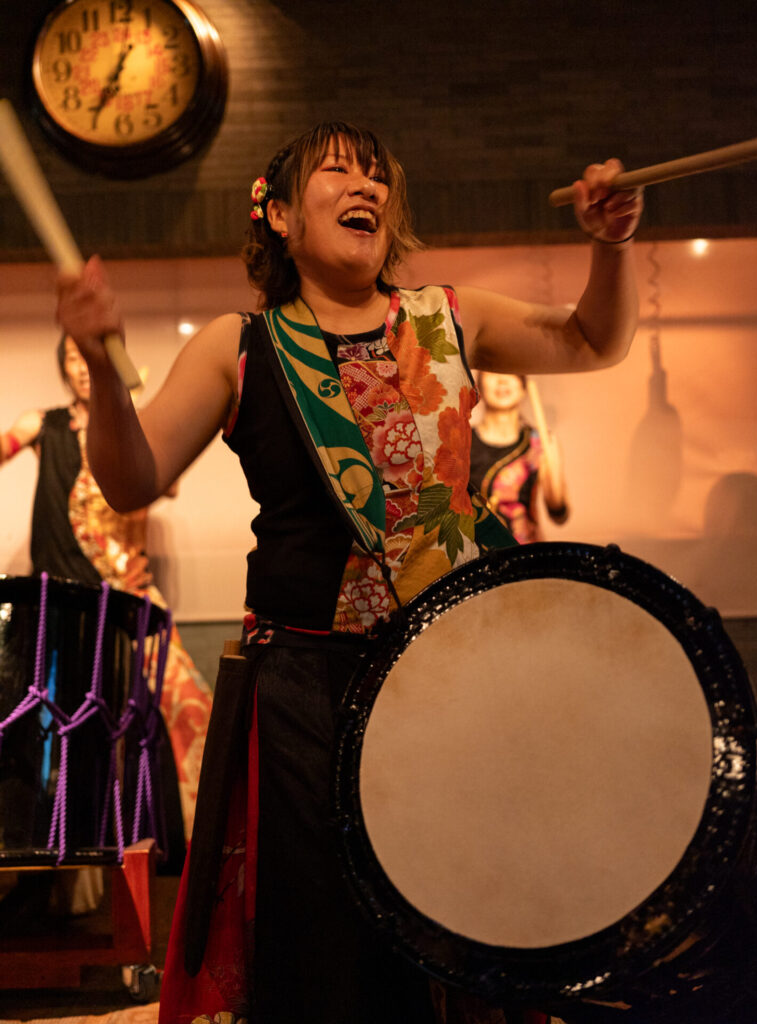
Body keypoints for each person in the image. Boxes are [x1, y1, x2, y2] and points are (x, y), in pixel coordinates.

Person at [55, 121, 643, 1024]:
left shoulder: (447, 318)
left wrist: (610, 247)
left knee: (466, 921)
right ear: (280, 215)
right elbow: (132, 478)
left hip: (452, 673)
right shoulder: (240, 344)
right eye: (337, 171)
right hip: (307, 689)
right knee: (325, 947)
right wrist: (101, 364)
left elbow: (594, 341)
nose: (365, 185)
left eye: (376, 175)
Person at [0, 335, 213, 848]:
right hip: (58, 608)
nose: (80, 368)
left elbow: (166, 483)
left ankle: (193, 844)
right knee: (54, 729)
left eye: (88, 358)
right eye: (72, 359)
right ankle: (51, 854)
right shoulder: (43, 424)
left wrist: (131, 425)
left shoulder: (127, 428)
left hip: (120, 603)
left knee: (180, 711)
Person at [470, 371, 569, 543]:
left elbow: (559, 517)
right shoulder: (461, 442)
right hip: (476, 551)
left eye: (510, 372)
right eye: (492, 371)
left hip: (525, 552)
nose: (502, 380)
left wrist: (555, 486)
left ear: (524, 387)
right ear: (480, 388)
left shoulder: (540, 443)